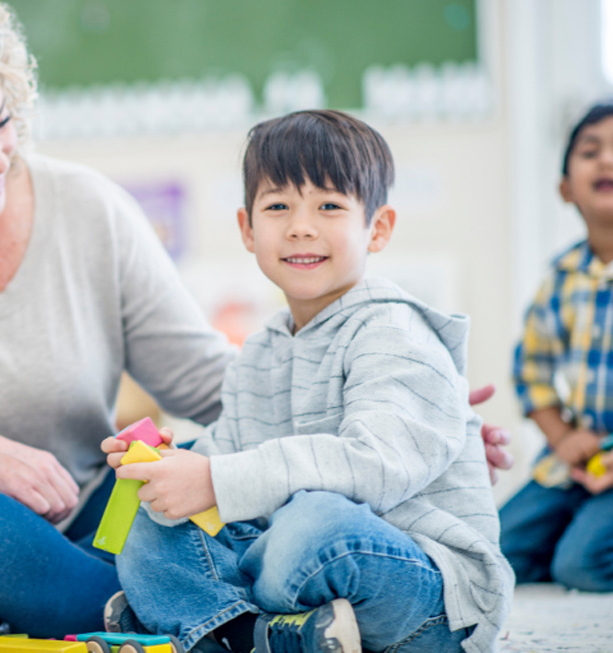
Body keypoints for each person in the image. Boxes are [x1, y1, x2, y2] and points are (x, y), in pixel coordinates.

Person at [0, 0, 513, 641]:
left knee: (172, 476)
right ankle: (193, 621)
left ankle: (105, 609)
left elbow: (214, 381)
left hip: (73, 521)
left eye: (0, 123)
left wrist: (392, 412)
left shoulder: (85, 208)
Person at [103, 111, 514, 653]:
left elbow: (378, 465)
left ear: (379, 227)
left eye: (329, 206)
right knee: (150, 518)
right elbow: (230, 455)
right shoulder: (261, 349)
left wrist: (219, 478)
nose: (301, 226)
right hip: (294, 572)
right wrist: (173, 466)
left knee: (312, 522)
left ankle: (198, 619)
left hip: (423, 593)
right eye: (277, 206)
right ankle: (245, 635)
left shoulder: (395, 329)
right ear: (248, 229)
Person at [503, 102, 613, 592]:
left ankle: (577, 541)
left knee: (582, 566)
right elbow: (531, 371)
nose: (607, 161)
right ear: (565, 188)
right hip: (578, 459)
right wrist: (563, 437)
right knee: (495, 550)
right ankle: (576, 528)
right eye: (591, 152)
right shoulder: (562, 277)